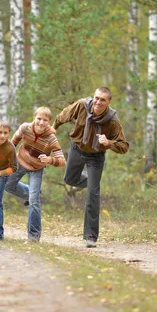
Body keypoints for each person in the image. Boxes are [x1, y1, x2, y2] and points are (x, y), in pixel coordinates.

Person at [52, 87, 129, 248]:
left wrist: (109, 143)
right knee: (69, 179)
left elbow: (124, 146)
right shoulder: (81, 106)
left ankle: (90, 236)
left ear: (109, 102)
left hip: (96, 156)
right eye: (96, 98)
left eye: (103, 100)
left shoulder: (112, 120)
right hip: (77, 149)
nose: (98, 102)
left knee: (93, 194)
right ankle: (90, 180)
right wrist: (54, 127)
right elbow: (63, 116)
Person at [5, 107, 66, 242]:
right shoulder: (25, 128)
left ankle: (33, 236)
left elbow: (62, 161)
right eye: (39, 118)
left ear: (49, 122)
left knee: (34, 202)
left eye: (45, 120)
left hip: (36, 169)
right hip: (19, 162)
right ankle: (33, 193)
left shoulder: (51, 138)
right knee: (8, 186)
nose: (41, 122)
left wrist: (49, 160)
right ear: (34, 118)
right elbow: (12, 143)